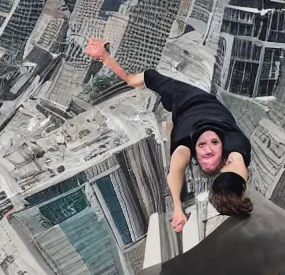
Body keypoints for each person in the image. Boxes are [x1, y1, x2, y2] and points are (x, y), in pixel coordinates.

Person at [85, 38, 253, 232]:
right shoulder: (234, 142)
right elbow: (238, 172)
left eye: (203, 148)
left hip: (181, 99)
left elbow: (175, 172)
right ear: (224, 152)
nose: (207, 144)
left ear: (194, 152)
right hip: (200, 90)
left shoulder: (184, 143)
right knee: (144, 84)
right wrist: (233, 198)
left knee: (145, 84)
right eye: (213, 145)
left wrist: (177, 207)